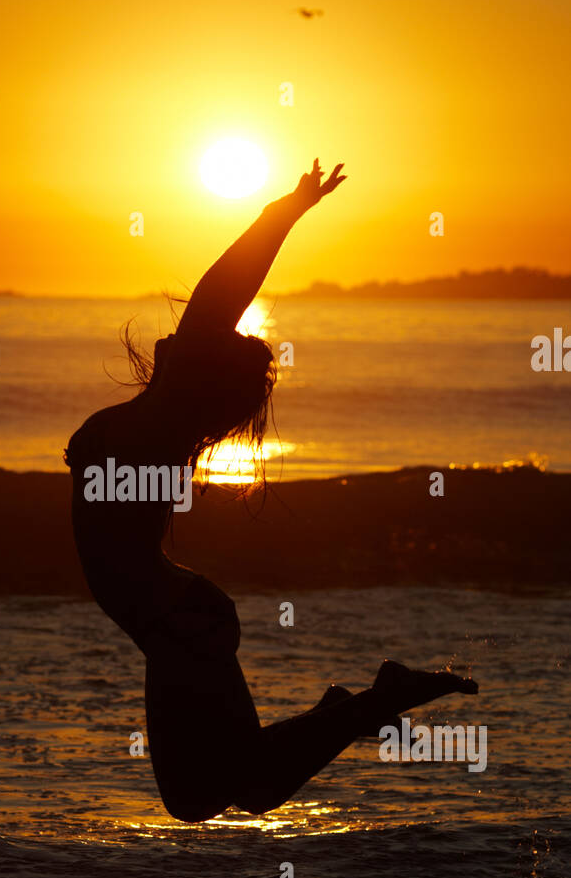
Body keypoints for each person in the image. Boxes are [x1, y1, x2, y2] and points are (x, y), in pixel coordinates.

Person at [64, 160, 477, 822]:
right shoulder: (155, 417)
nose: (182, 333)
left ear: (200, 368)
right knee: (243, 787)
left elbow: (219, 292)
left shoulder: (168, 416)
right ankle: (359, 706)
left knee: (202, 797)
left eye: (202, 340)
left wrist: (285, 212)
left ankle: (368, 705)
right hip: (178, 618)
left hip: (179, 622)